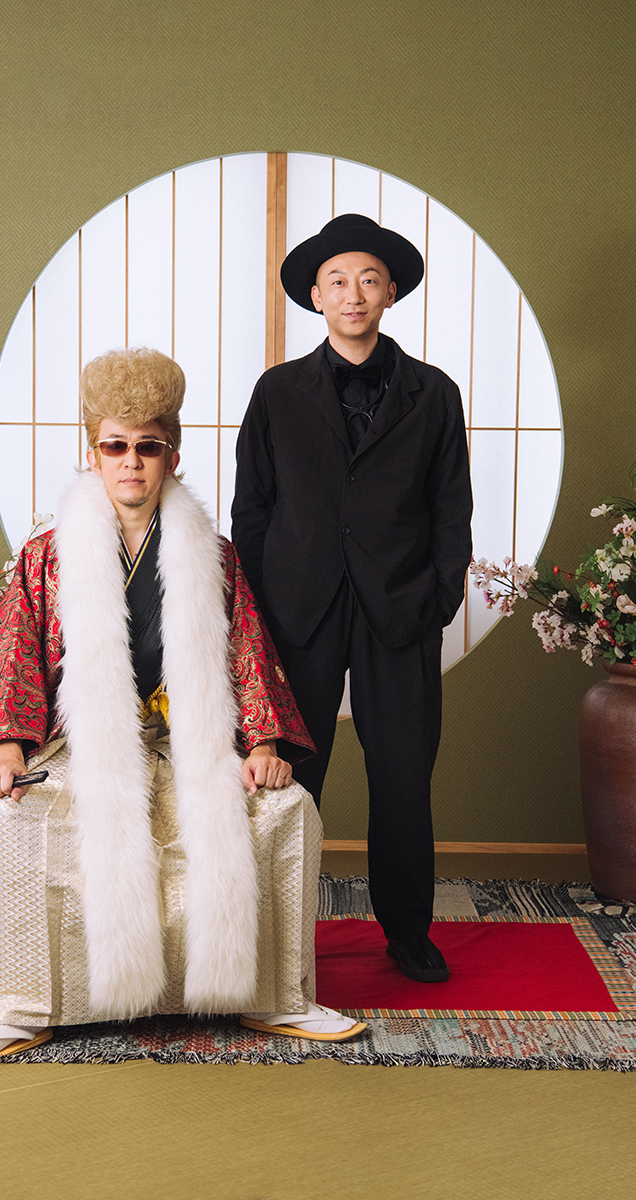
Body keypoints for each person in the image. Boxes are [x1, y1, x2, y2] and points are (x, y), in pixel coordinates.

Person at [0, 347, 365, 1066]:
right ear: (93, 454)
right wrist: (7, 753)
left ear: (173, 455)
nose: (131, 462)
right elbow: (11, 657)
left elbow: (249, 656)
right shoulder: (46, 556)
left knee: (287, 810)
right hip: (81, 747)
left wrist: (264, 745)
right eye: (116, 446)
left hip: (189, 742)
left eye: (148, 446)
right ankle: (19, 1006)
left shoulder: (215, 556)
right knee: (13, 817)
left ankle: (274, 994)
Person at [231, 214, 473, 984]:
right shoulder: (277, 392)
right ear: (316, 296)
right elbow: (251, 508)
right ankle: (278, 935)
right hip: (297, 610)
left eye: (369, 279)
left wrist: (437, 597)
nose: (353, 293)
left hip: (400, 610)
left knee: (402, 779)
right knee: (291, 776)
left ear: (391, 291)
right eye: (337, 280)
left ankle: (407, 932)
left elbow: (452, 510)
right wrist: (261, 606)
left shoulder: (434, 394)